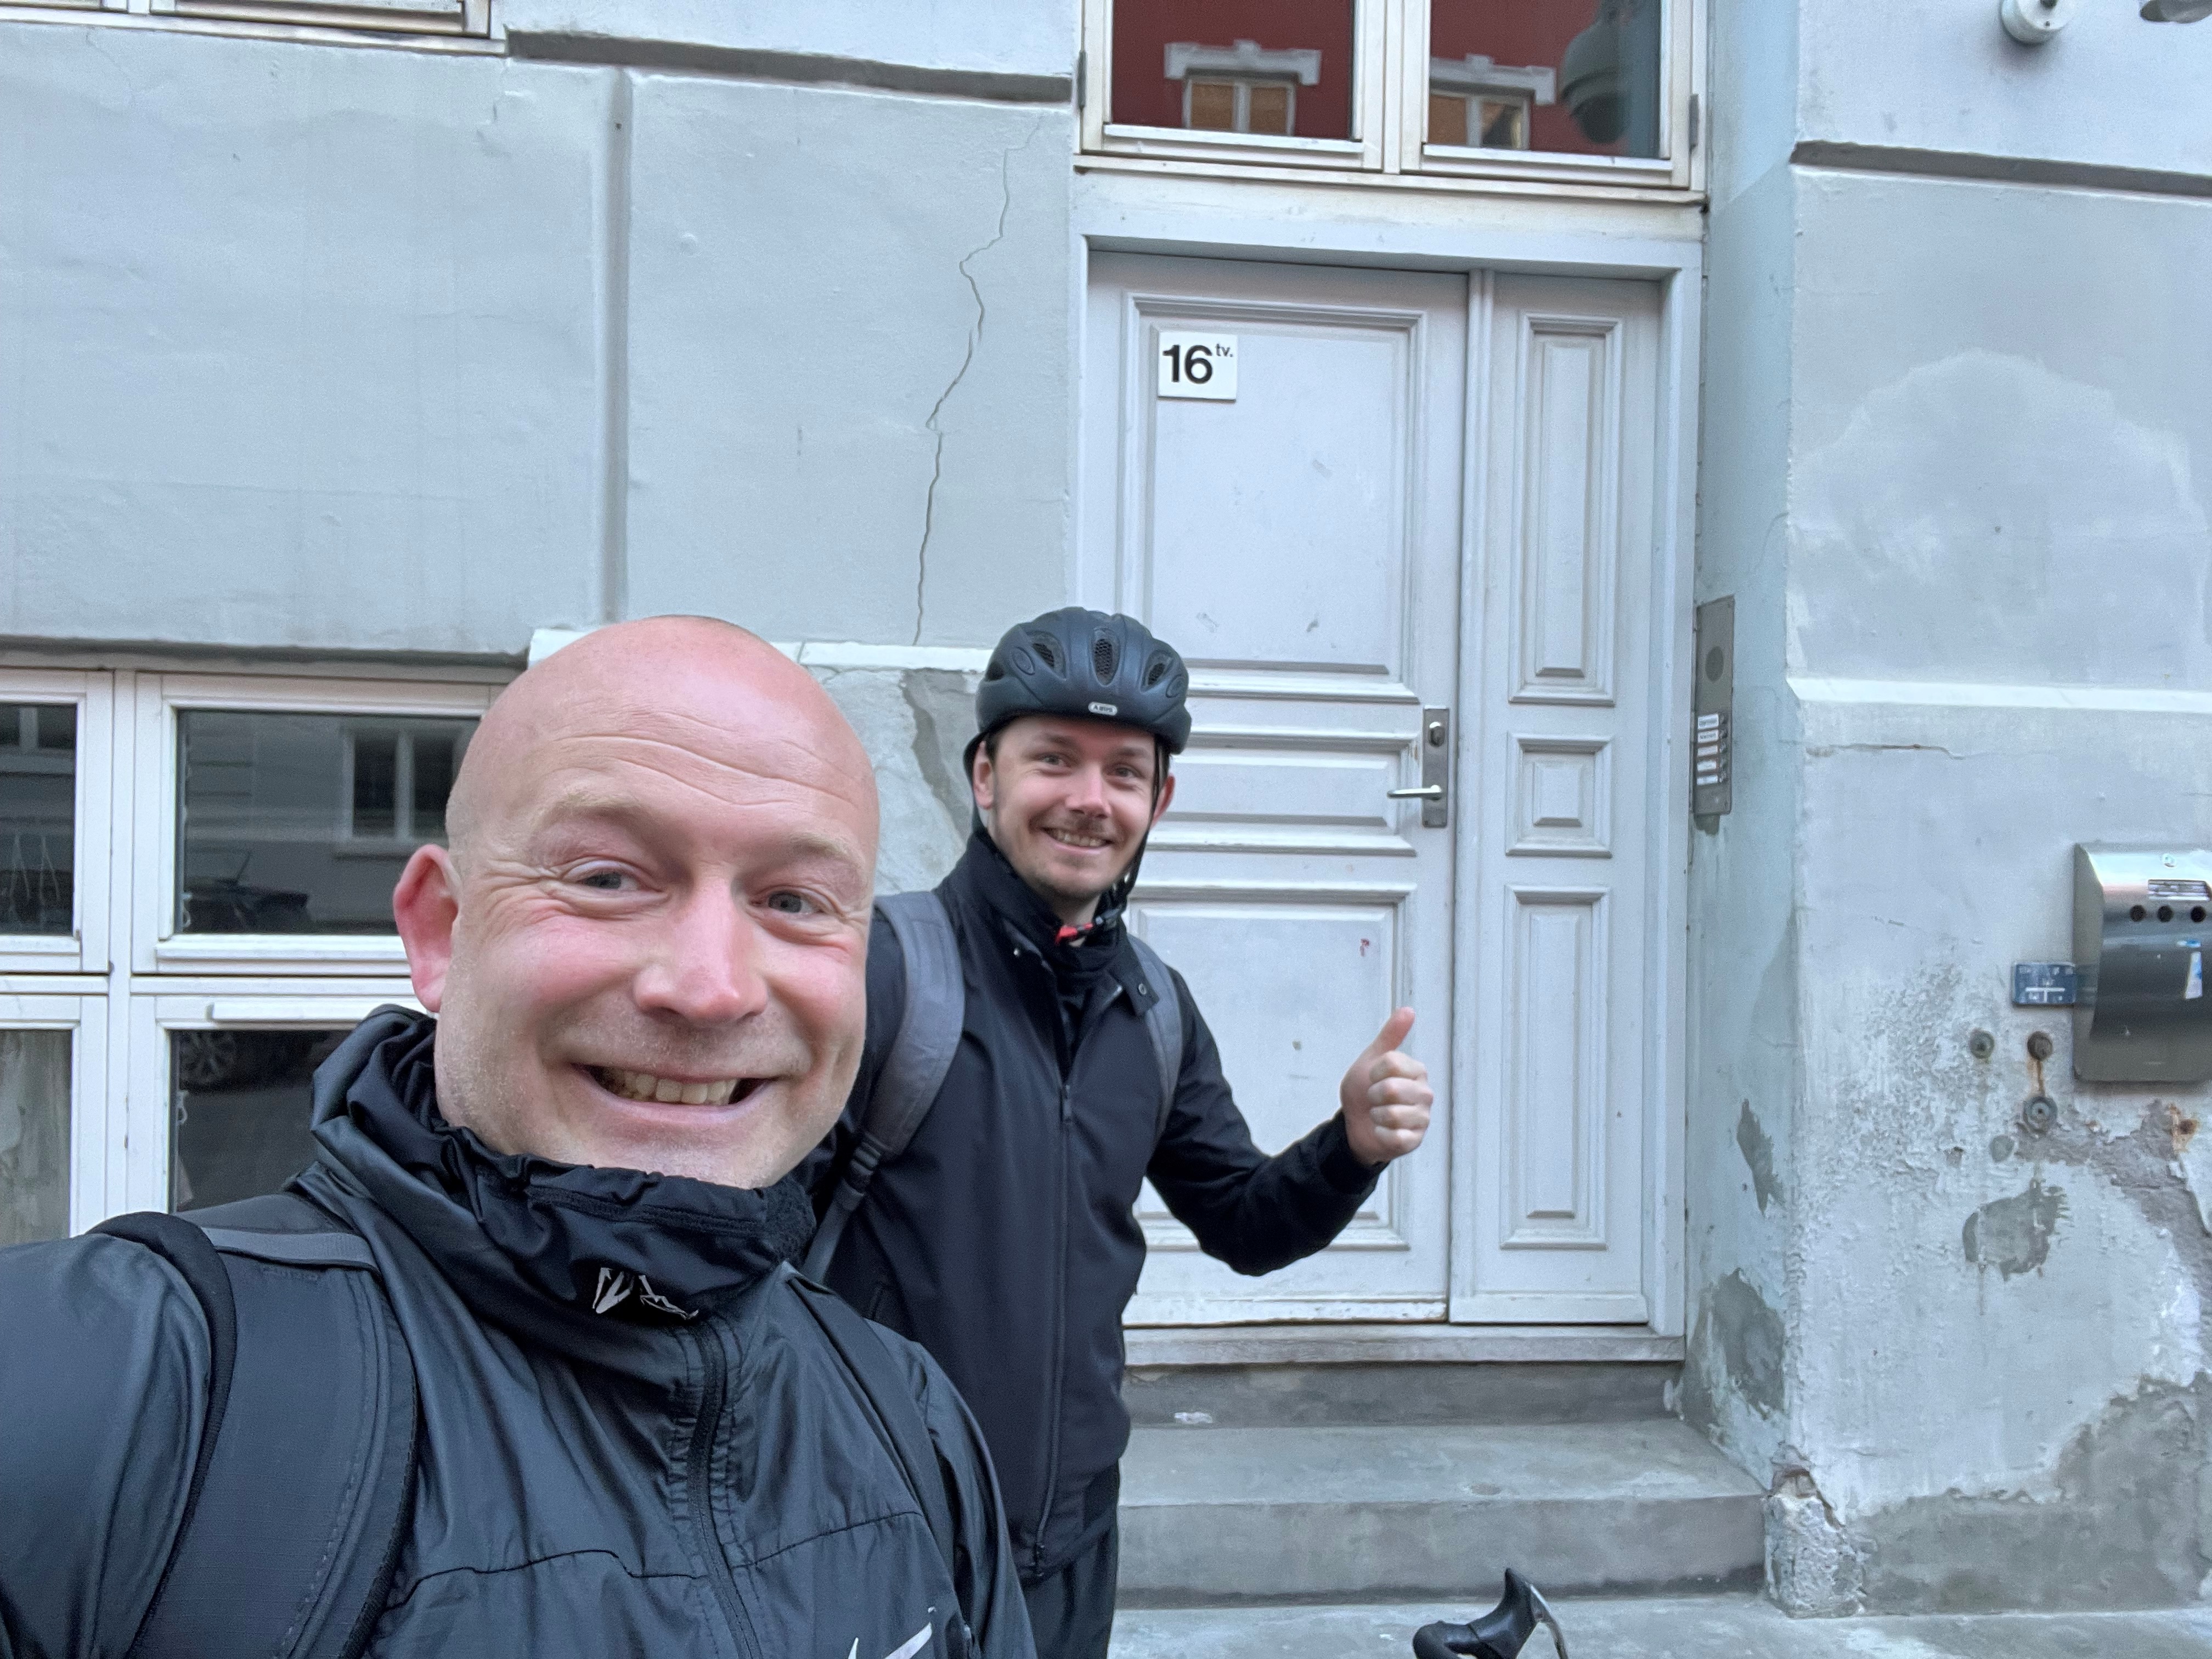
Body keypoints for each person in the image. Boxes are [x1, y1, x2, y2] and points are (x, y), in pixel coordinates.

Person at [0, 618, 1033, 1658]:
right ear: (440, 931)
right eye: (608, 878)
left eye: (794, 900)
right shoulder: (110, 1394)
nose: (711, 987)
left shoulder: (912, 1423)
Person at [802, 607, 1435, 1658]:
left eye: (1125, 773)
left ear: (1159, 800)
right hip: (883, 1524)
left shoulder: (1154, 1009)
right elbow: (750, 1247)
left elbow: (1244, 1223)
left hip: (1073, 1539)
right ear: (986, 776)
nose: (1090, 799)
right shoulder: (884, 974)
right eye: (1054, 759)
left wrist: (1351, 1145)